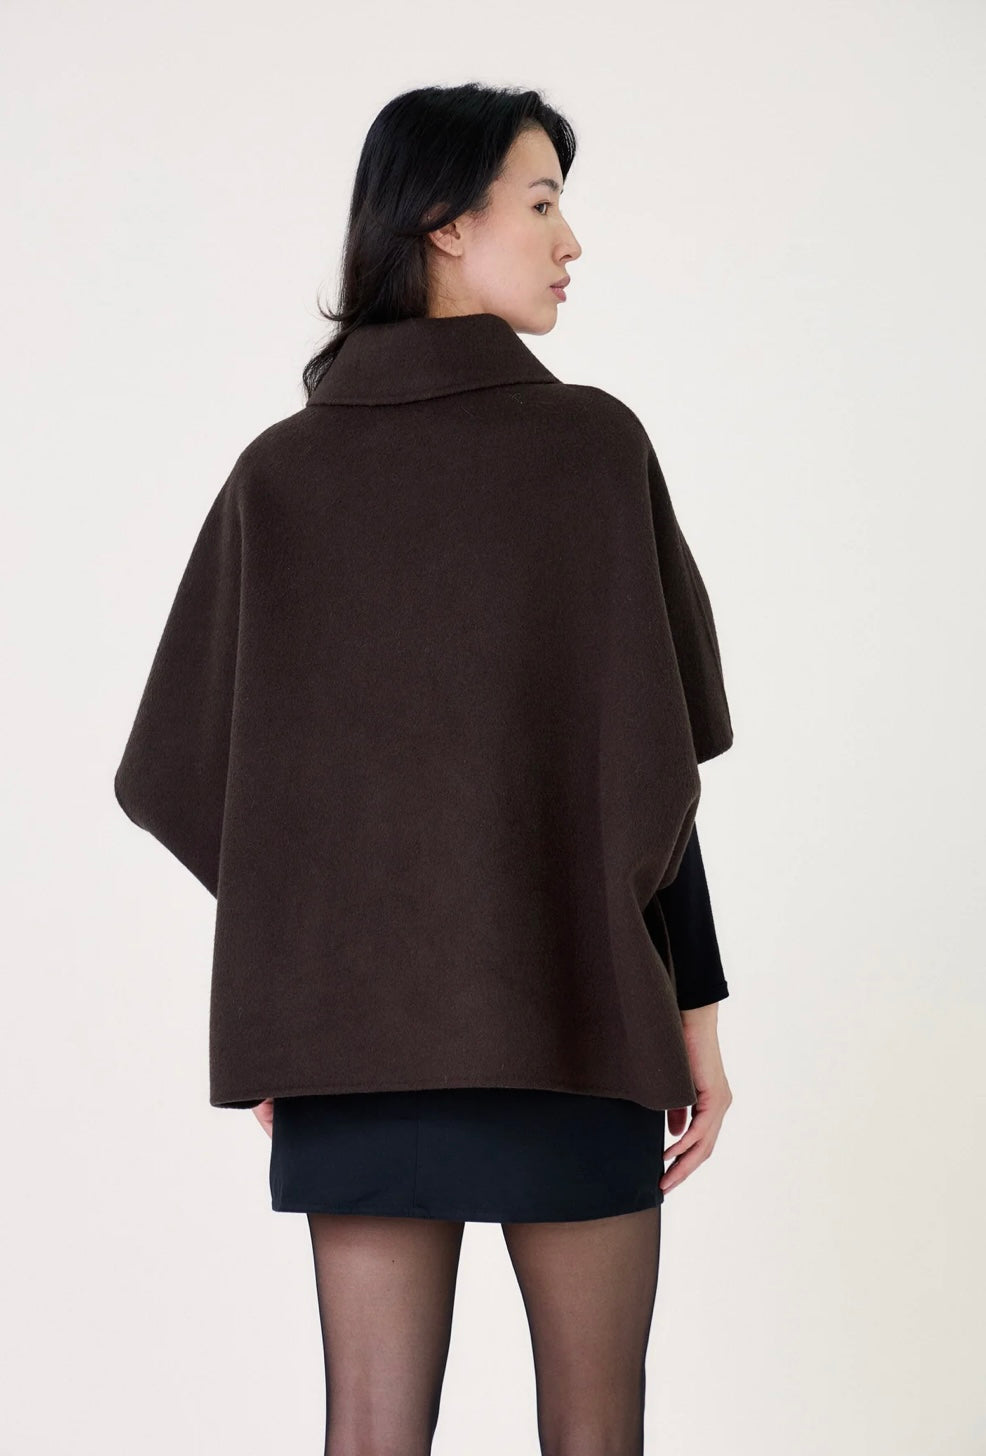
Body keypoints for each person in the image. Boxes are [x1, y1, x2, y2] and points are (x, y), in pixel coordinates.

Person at [114, 82, 735, 1456]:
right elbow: (651, 774)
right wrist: (693, 1011)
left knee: (370, 1434)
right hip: (574, 1022)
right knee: (596, 1434)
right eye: (542, 202)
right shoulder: (591, 450)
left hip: (351, 1047)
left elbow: (185, 776)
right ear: (446, 224)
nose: (570, 241)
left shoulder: (282, 475)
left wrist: (299, 987)